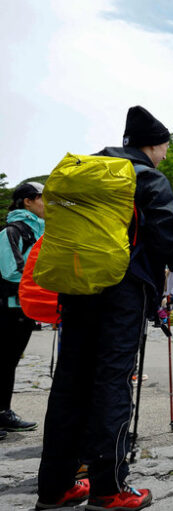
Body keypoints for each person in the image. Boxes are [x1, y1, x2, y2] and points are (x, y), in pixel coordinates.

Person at [37, 106, 173, 510]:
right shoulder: (147, 176)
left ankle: (56, 487)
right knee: (113, 382)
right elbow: (162, 237)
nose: (164, 156)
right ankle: (109, 488)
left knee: (70, 382)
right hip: (122, 290)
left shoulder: (88, 173)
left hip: (75, 286)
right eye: (164, 149)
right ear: (154, 144)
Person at [0, 181, 46, 439]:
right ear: (27, 201)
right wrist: (45, 284)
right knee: (3, 361)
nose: (46, 203)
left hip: (24, 307)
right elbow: (10, 270)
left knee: (9, 362)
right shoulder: (12, 231)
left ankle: (3, 413)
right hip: (8, 307)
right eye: (42, 198)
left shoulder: (40, 231)